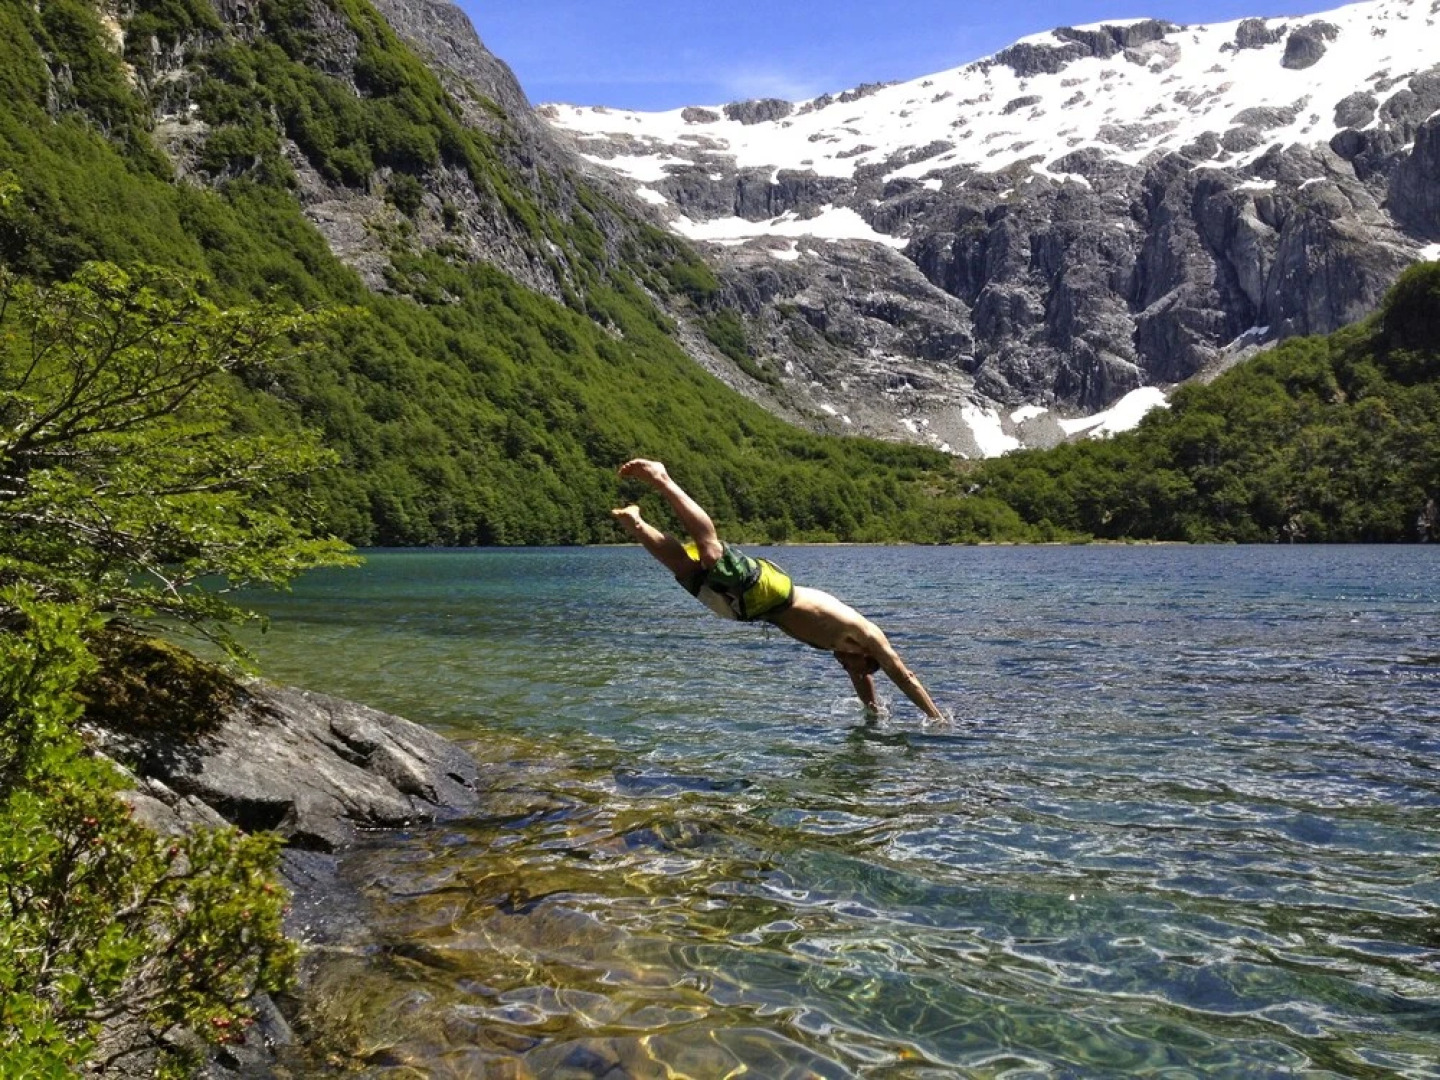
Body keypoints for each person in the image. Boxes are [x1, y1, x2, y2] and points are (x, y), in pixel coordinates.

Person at [610, 459, 943, 720]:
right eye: (850, 665)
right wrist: (936, 718)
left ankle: (637, 524)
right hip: (774, 591)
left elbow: (865, 687)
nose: (845, 667)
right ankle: (661, 478)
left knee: (687, 571)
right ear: (867, 656)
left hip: (752, 611)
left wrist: (873, 716)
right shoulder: (868, 635)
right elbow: (904, 677)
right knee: (712, 555)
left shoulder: (852, 657)